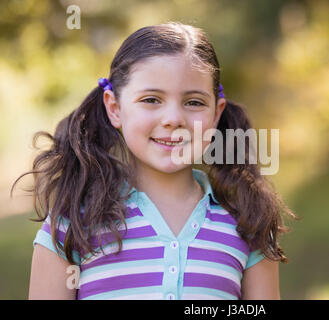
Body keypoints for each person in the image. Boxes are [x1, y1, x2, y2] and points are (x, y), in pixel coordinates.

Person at [14, 22, 296, 300]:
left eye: (194, 102)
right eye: (151, 99)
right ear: (114, 108)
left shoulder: (248, 224)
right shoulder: (72, 222)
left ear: (216, 113)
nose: (173, 119)